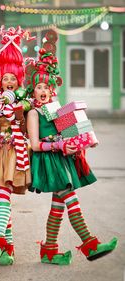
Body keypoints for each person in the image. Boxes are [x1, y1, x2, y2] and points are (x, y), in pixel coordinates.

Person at [26, 30, 117, 265]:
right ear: (33, 90)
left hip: (62, 158)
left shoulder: (56, 109)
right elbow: (35, 145)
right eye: (39, 88)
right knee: (71, 199)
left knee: (58, 205)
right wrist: (58, 144)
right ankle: (90, 244)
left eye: (47, 87)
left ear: (52, 89)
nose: (43, 91)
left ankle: (49, 250)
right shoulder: (34, 113)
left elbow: (74, 133)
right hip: (49, 161)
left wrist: (82, 139)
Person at [0, 26, 32, 266]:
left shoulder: (24, 102)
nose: (9, 81)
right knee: (2, 196)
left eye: (13, 78)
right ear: (0, 79)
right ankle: (8, 251)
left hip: (15, 151)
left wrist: (17, 112)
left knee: (4, 195)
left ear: (18, 79)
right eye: (5, 78)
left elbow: (27, 128)